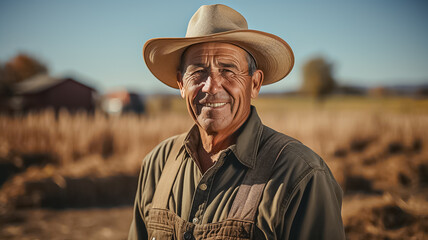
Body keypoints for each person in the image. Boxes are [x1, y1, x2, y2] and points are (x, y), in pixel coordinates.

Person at [129, 4, 345, 240]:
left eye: (228, 70)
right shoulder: (157, 164)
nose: (211, 86)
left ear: (254, 84)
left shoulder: (301, 175)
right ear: (182, 84)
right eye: (198, 71)